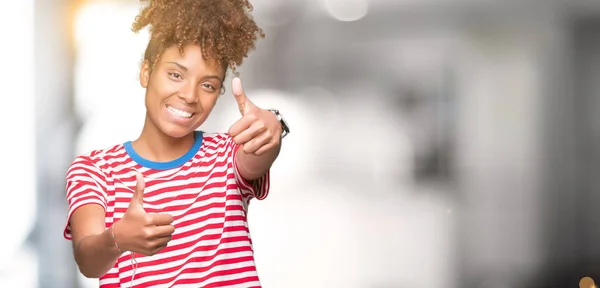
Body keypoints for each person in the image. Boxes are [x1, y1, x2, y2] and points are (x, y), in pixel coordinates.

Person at [62, 0, 290, 287]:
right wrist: (117, 238)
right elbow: (87, 260)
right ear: (146, 72)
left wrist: (271, 126)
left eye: (207, 84)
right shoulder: (95, 170)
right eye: (175, 75)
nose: (190, 95)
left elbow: (257, 155)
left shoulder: (226, 155)